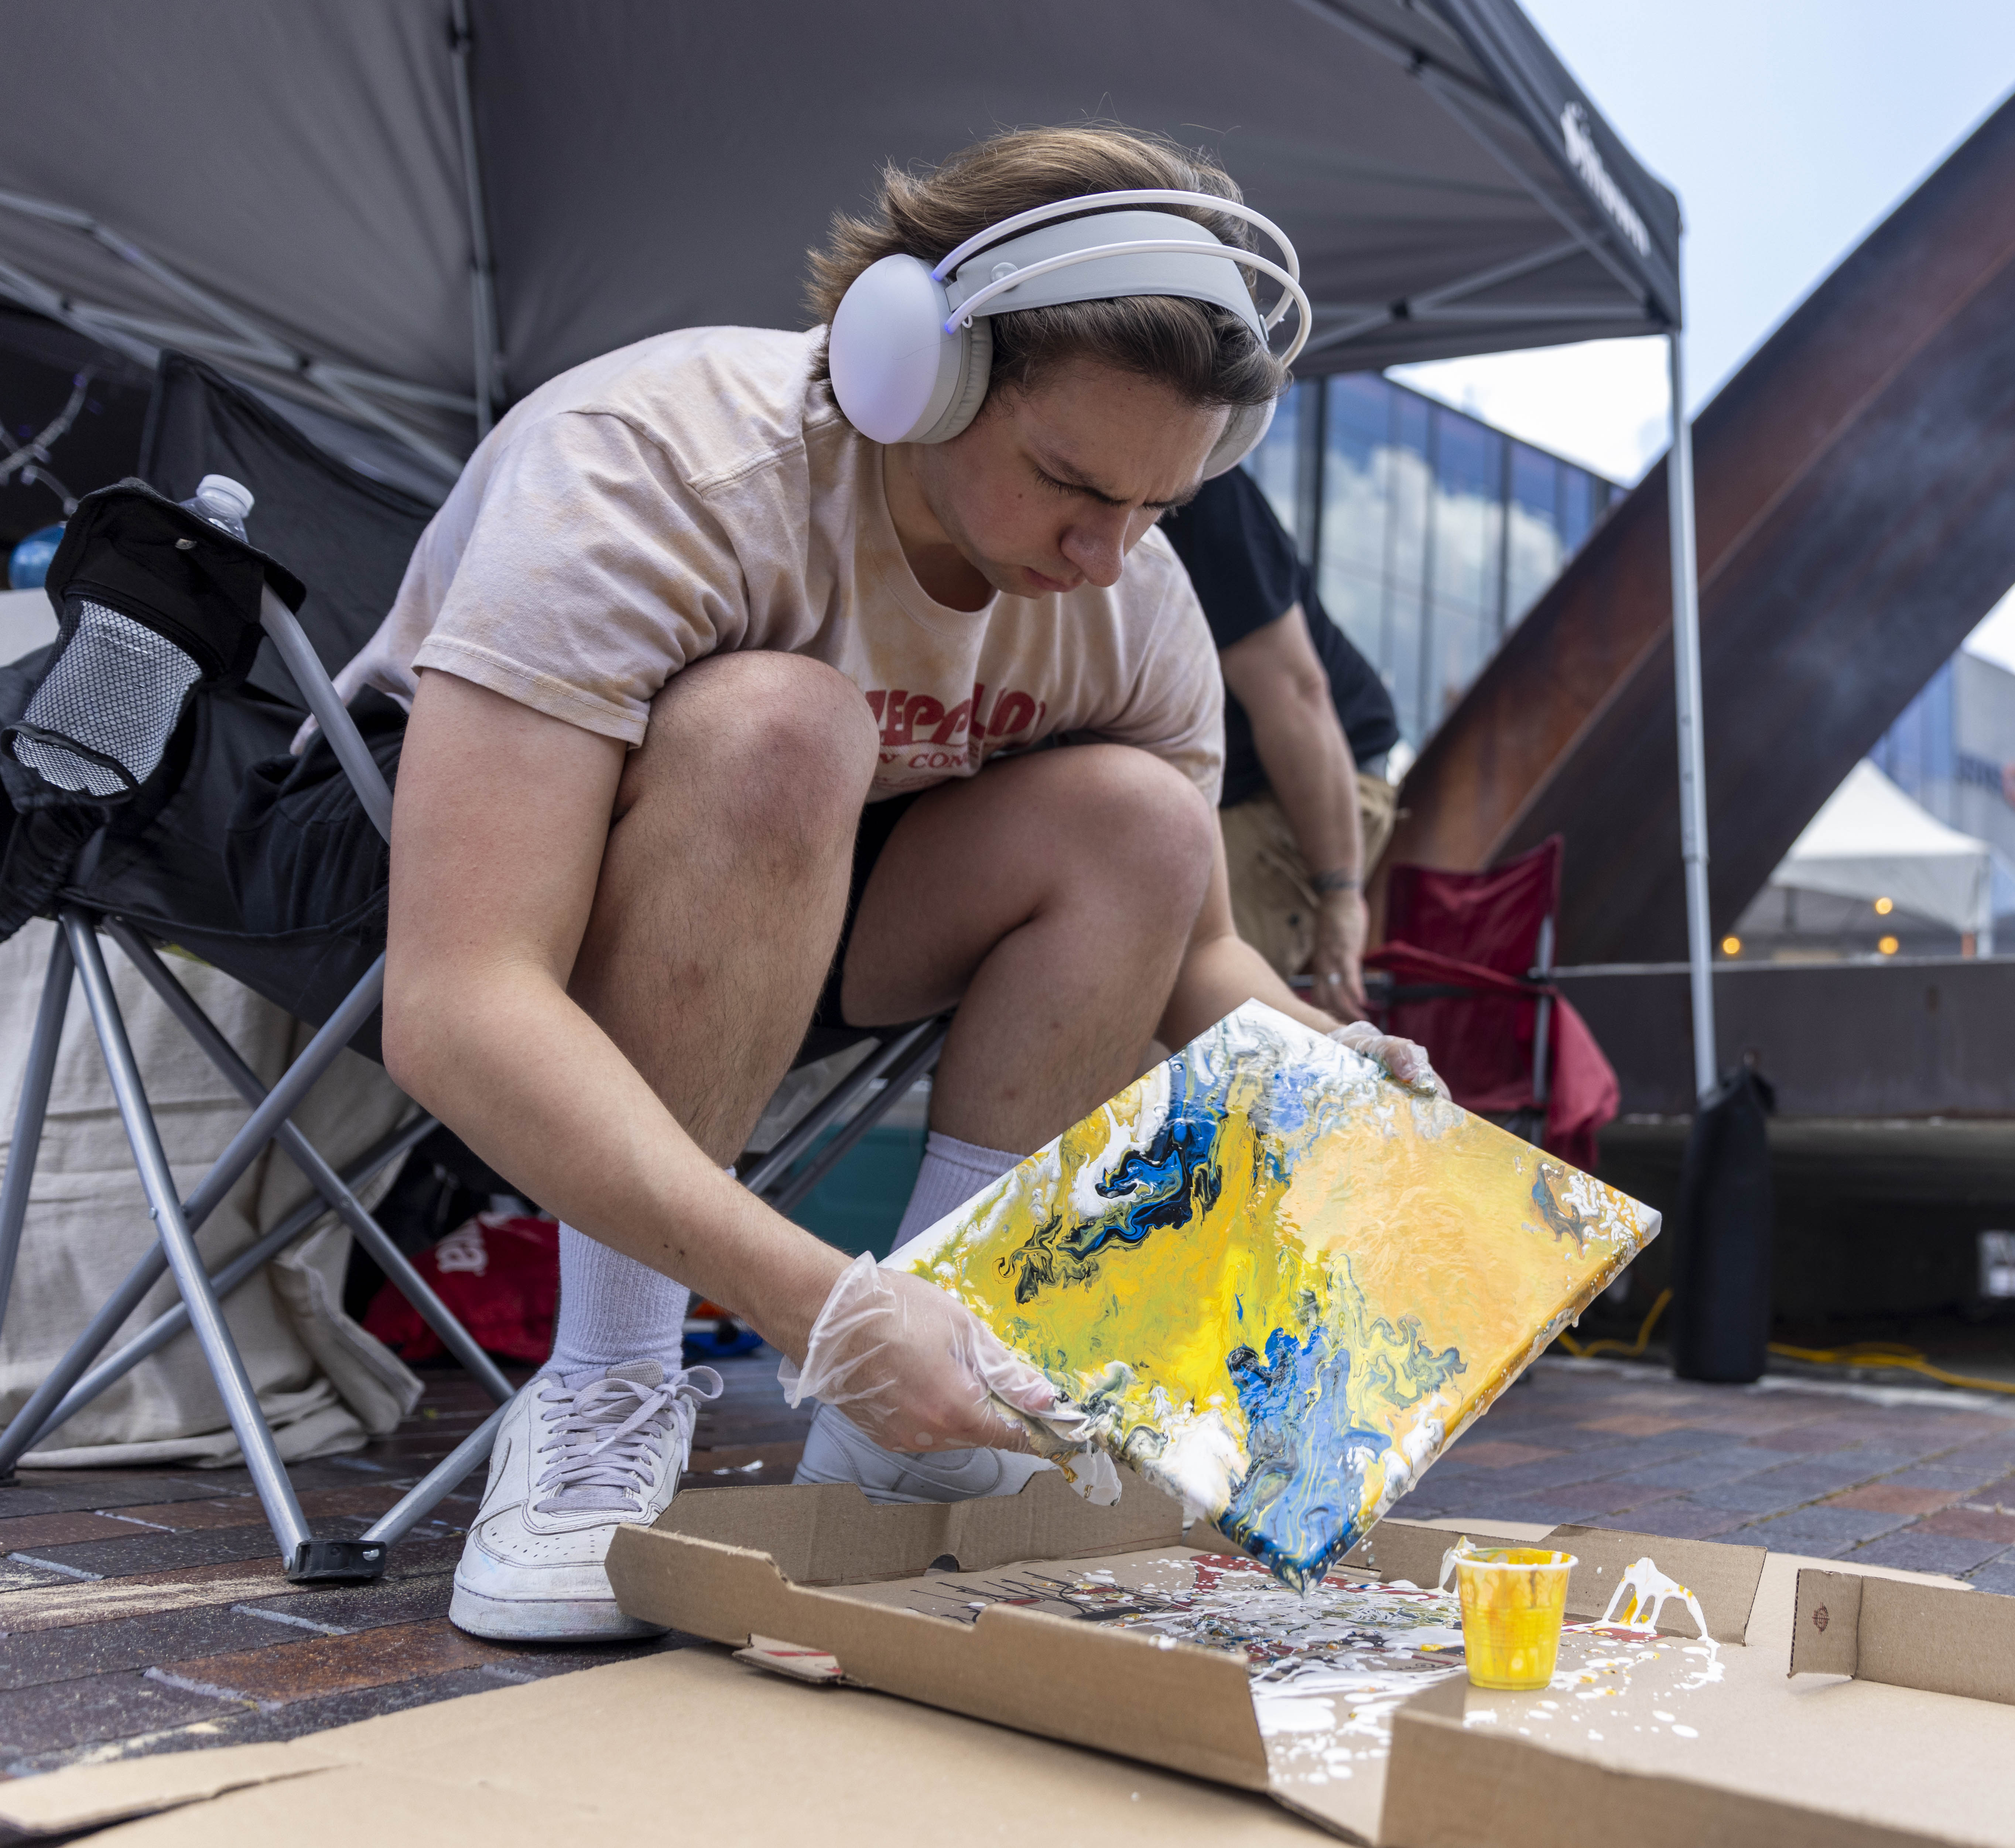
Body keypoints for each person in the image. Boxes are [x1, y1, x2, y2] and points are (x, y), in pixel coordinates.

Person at [171, 126, 1431, 1641]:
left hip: (782, 911)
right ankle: (606, 1393)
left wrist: (1321, 1051)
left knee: (1145, 824)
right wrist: (820, 1310)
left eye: (1157, 509)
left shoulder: (1129, 601)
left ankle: (945, 1381)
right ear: (919, 367)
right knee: (781, 724)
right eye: (1069, 488)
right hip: (407, 882)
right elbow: (460, 1000)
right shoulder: (653, 463)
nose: (1108, 560)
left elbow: (1199, 948)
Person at [1159, 469, 1399, 1020]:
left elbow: (1294, 694)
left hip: (1311, 780)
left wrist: (1339, 893)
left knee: (1164, 972)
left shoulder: (1204, 489)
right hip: (1209, 785)